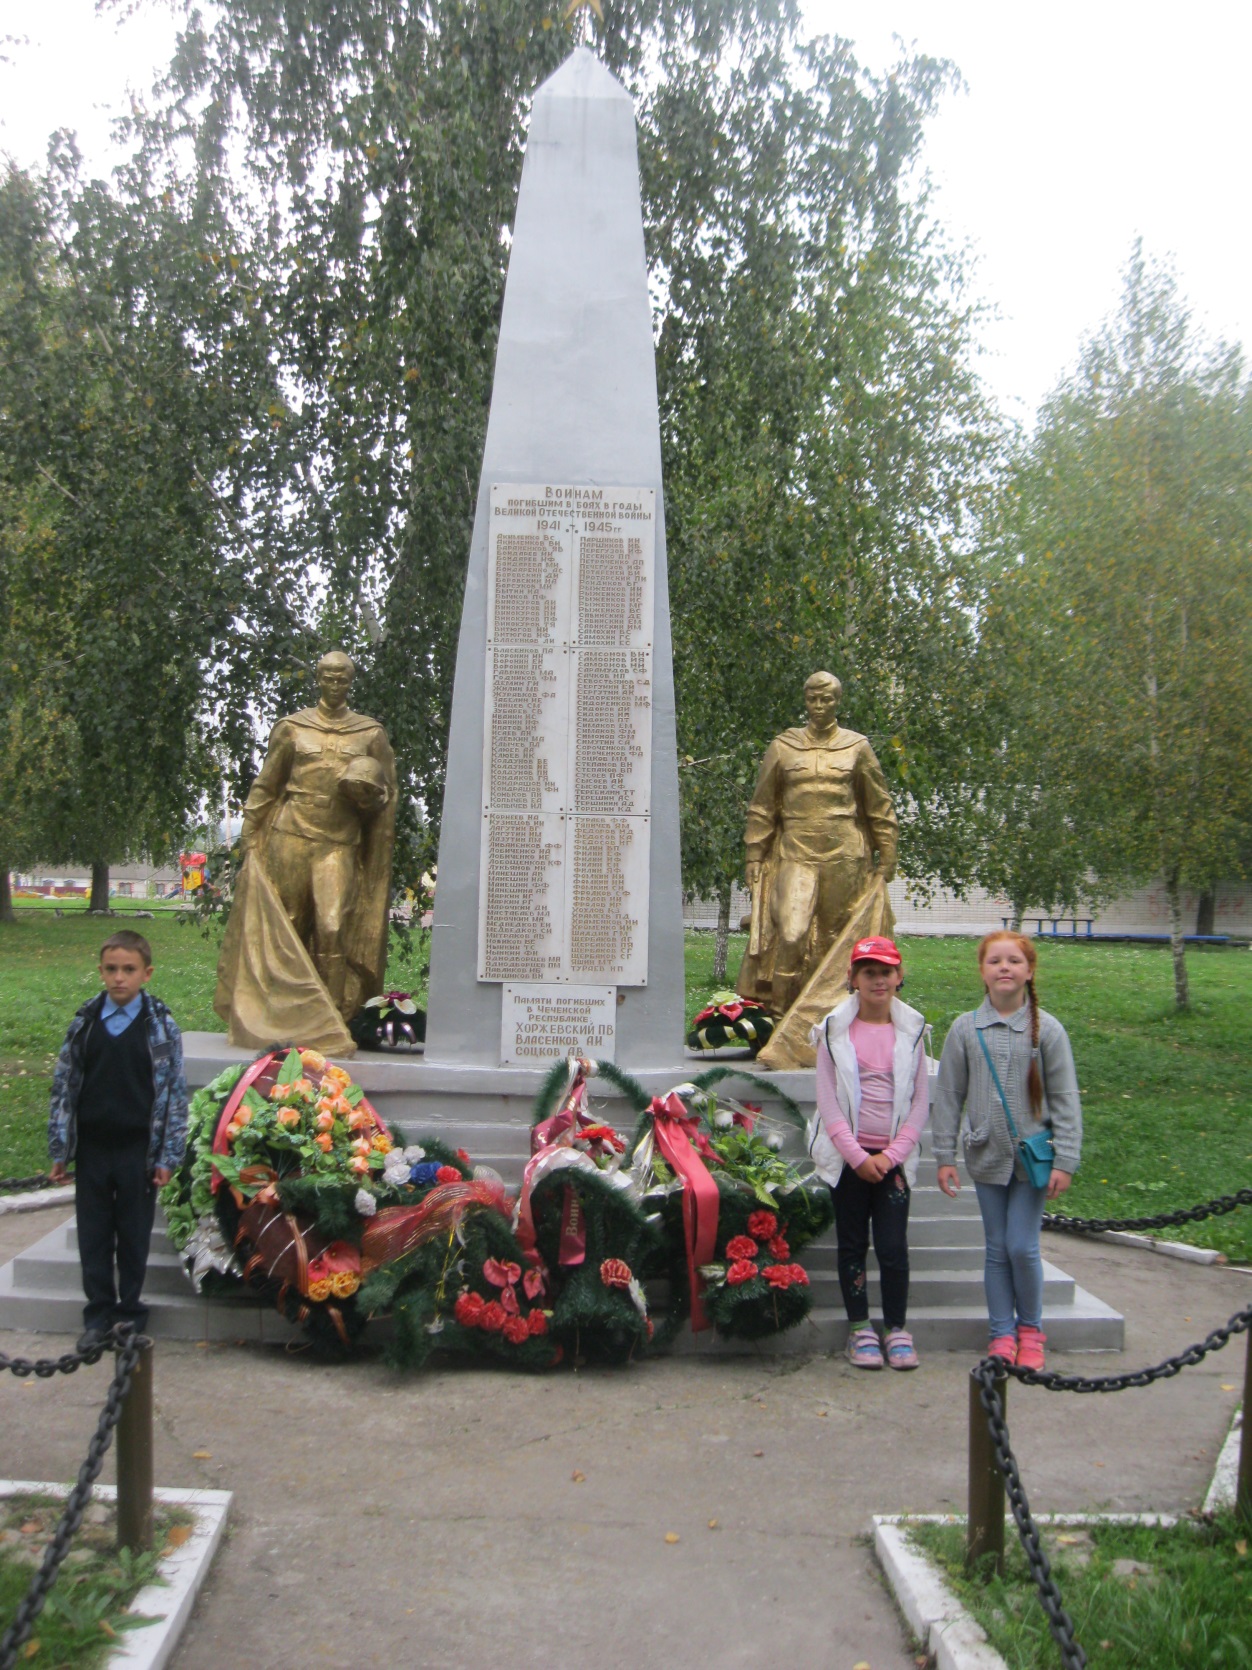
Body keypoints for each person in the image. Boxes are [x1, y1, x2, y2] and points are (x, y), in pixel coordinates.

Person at [214, 649, 397, 1051]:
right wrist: (250, 835)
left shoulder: (370, 734)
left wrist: (370, 797)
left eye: (342, 678)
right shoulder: (292, 728)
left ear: (350, 682)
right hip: (290, 834)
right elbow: (267, 785)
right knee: (289, 925)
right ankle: (278, 1018)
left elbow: (387, 795)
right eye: (328, 677)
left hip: (338, 842)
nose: (335, 685)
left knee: (332, 928)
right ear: (318, 679)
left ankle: (330, 1021)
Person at [932, 931, 1082, 1371]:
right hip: (986, 1155)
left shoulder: (1048, 1030)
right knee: (997, 1248)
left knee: (1022, 1246)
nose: (1004, 968)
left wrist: (1066, 1159)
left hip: (1033, 1162)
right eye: (994, 960)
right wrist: (945, 1156)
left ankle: (1031, 1330)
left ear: (1029, 971)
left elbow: (1065, 1098)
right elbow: (949, 1095)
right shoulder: (965, 1029)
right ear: (982, 971)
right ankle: (1001, 1333)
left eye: (1014, 961)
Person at [736, 671, 899, 1069]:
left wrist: (888, 855)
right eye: (813, 698)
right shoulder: (784, 746)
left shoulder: (857, 747)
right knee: (791, 934)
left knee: (834, 941)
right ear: (806, 701)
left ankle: (834, 1027)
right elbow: (763, 806)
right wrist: (754, 854)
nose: (820, 705)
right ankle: (779, 1022)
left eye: (827, 699)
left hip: (846, 856)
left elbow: (878, 805)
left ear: (837, 702)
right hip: (796, 852)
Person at [48, 931, 188, 1350]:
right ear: (101, 971)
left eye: (129, 970)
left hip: (137, 1151)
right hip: (94, 1148)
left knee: (132, 1235)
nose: (119, 978)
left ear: (147, 974)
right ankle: (97, 1315)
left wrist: (167, 1156)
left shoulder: (160, 1027)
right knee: (93, 1235)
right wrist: (61, 1148)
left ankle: (128, 1313)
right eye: (111, 969)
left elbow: (174, 1094)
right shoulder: (85, 1024)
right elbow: (65, 1086)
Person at [807, 935, 929, 1370]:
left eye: (886, 972)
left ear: (899, 977)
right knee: (853, 1244)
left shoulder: (913, 1034)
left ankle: (896, 1329)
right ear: (853, 979)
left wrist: (891, 1155)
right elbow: (828, 1103)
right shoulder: (833, 1032)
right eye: (869, 972)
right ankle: (860, 1328)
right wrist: (858, 1157)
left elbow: (919, 1103)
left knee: (893, 1247)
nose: (879, 980)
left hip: (893, 1162)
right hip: (850, 1161)